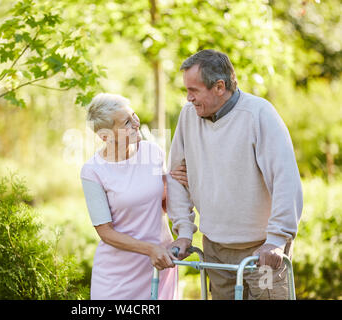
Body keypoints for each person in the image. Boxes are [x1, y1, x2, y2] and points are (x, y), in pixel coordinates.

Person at [166, 49, 303, 300]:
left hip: (262, 250)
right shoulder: (188, 116)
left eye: (194, 91)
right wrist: (184, 232)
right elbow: (176, 176)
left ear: (219, 86)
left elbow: (286, 181)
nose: (188, 98)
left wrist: (277, 239)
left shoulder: (259, 114)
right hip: (216, 249)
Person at [80, 93, 185, 300]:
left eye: (133, 115)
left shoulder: (153, 153)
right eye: (127, 122)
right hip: (118, 276)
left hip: (159, 264)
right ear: (106, 136)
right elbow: (106, 233)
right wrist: (149, 249)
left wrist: (180, 179)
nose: (136, 123)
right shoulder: (93, 171)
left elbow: (162, 204)